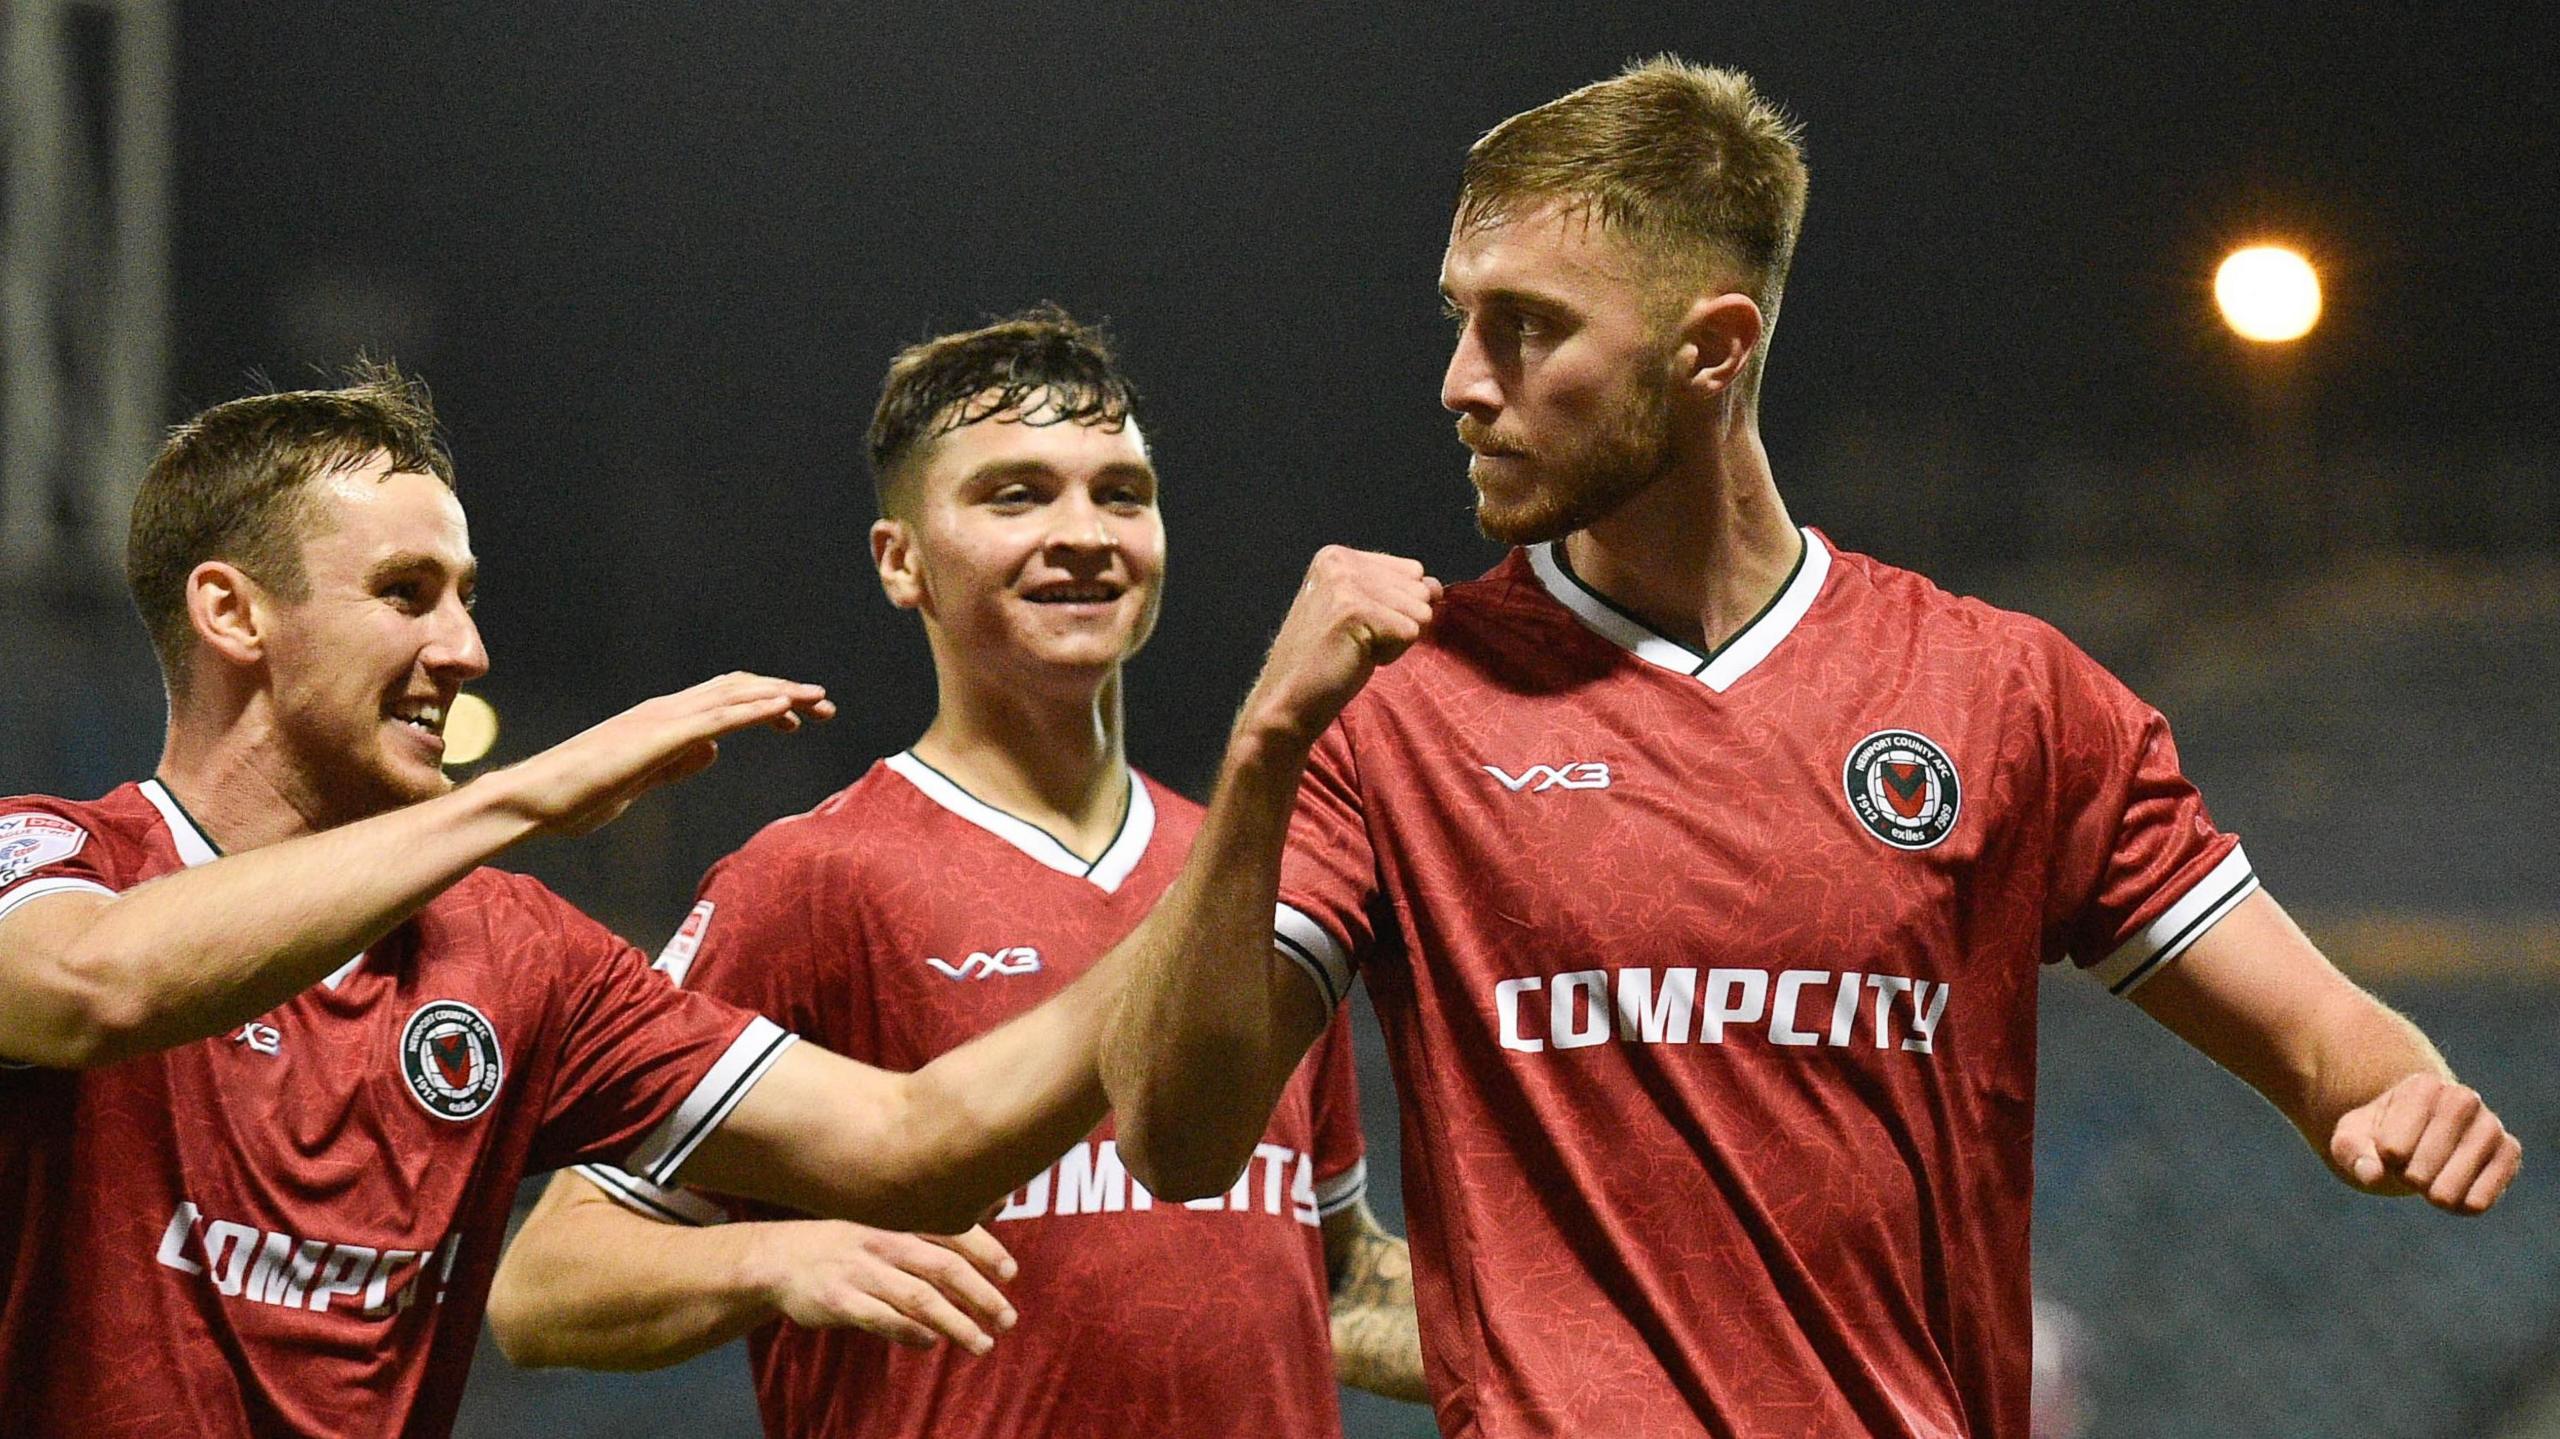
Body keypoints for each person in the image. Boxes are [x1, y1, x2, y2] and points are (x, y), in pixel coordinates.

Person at [1095, 58, 2525, 1439]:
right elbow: (1175, 1135)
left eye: (1529, 325)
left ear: (1714, 347)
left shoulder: (2004, 695)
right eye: (1462, 317)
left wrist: (2403, 1095)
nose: (1466, 379)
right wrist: (1269, 739)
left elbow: (2334, 1043)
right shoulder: (1393, 710)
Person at [0, 366, 1139, 1438]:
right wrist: (524, 797)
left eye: (466, 598)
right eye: (407, 595)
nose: (468, 649)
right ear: (233, 614)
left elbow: (917, 1143)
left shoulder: (518, 953)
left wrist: (1236, 869)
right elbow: (91, 988)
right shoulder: (51, 858)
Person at [484, 308, 1427, 1435]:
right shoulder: (813, 878)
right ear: (901, 561)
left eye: (1120, 492)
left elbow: (1328, 1280)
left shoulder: (1261, 875)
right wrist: (782, 1253)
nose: (1084, 532)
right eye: (1016, 494)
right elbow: (543, 1285)